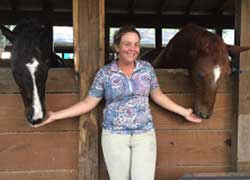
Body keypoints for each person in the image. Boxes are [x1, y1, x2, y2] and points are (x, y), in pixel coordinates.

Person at [33, 25, 202, 180]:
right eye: (127, 44)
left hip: (144, 135)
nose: (133, 49)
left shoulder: (147, 69)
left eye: (136, 44)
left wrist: (184, 112)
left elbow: (158, 96)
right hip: (115, 137)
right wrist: (55, 115)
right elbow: (88, 103)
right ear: (117, 47)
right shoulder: (105, 74)